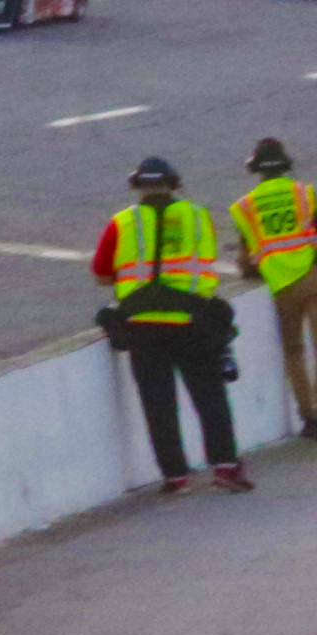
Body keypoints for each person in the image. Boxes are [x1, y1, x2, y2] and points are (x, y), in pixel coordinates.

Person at [95, 151, 252, 492]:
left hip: (143, 325)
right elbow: (205, 260)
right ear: (173, 184)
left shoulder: (121, 222)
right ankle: (225, 467)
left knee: (158, 403)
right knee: (210, 395)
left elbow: (103, 275)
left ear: (137, 186)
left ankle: (176, 477)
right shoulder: (198, 216)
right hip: (191, 320)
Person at [239, 137, 317, 417]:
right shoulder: (303, 192)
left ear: (256, 168)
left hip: (280, 285)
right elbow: (316, 229)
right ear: (285, 164)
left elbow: (246, 261)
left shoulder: (247, 205)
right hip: (313, 277)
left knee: (294, 350)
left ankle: (309, 415)